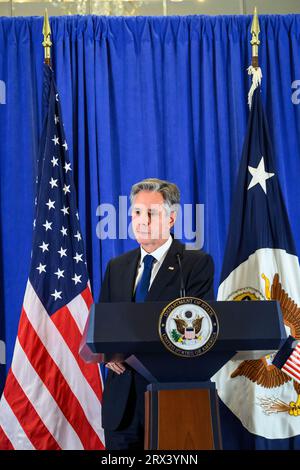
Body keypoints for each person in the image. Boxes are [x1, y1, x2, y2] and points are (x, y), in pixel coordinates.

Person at [99, 178, 214, 450]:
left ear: (171, 218)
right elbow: (102, 323)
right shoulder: (117, 267)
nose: (141, 221)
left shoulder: (195, 264)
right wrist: (107, 354)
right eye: (136, 213)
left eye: (151, 213)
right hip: (121, 404)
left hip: (173, 396)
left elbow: (199, 328)